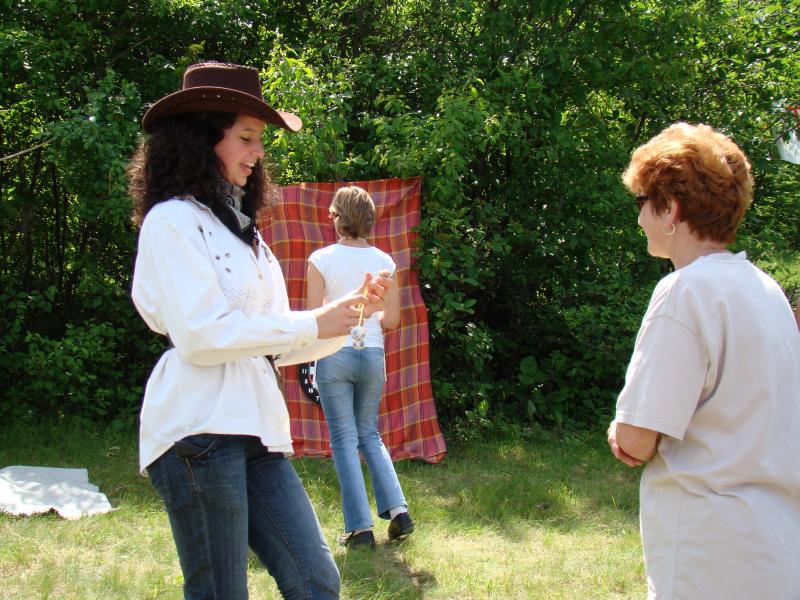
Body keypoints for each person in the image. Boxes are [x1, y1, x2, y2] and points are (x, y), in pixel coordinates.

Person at [128, 62, 393, 599]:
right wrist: (313, 320)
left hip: (258, 430)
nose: (257, 153)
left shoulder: (248, 237)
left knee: (316, 579)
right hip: (198, 429)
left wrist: (348, 315)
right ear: (203, 138)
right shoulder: (171, 221)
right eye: (246, 137)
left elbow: (277, 344)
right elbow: (201, 335)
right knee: (222, 592)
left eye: (260, 140)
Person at [606, 123, 800, 598]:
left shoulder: (685, 291)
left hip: (710, 554)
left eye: (641, 202)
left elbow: (635, 439)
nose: (639, 218)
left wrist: (620, 432)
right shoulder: (765, 289)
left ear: (669, 208)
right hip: (777, 546)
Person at [306, 186, 413, 549]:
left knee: (343, 439)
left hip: (334, 353)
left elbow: (314, 318)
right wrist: (368, 317)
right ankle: (399, 511)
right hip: (371, 354)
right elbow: (392, 320)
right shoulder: (385, 262)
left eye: (332, 213)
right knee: (369, 433)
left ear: (338, 218)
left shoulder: (320, 259)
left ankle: (359, 529)